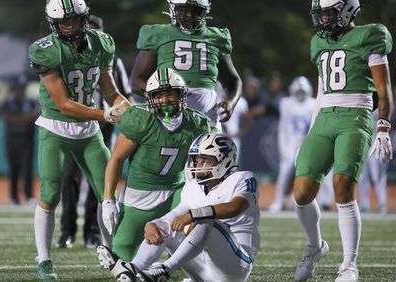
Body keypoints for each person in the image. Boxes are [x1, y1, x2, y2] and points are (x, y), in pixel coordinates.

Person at [28, 0, 130, 279]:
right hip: (56, 129)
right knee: (50, 194)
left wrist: (130, 112)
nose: (69, 26)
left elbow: (111, 91)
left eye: (73, 20)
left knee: (110, 195)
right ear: (53, 23)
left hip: (88, 132)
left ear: (84, 18)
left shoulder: (102, 42)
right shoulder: (45, 50)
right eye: (63, 22)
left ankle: (113, 254)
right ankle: (44, 260)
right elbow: (64, 104)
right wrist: (106, 115)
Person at [293, 1, 393, 281]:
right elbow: (322, 91)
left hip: (356, 116)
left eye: (329, 13)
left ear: (347, 11)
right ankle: (315, 247)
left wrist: (383, 125)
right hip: (324, 118)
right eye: (321, 13)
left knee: (342, 187)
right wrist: (310, 133)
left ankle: (349, 264)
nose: (323, 19)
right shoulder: (318, 43)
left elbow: (384, 90)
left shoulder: (369, 36)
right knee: (301, 193)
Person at [97, 132, 260, 282]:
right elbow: (174, 216)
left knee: (205, 218)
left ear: (225, 161)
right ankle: (132, 268)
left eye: (206, 159)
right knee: (162, 227)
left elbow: (236, 207)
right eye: (197, 159)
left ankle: (165, 269)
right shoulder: (193, 186)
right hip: (203, 268)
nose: (199, 163)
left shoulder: (243, 178)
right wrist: (153, 224)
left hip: (236, 267)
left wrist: (193, 214)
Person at [100, 67, 213, 262]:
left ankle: (183, 263)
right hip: (139, 194)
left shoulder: (197, 123)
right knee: (122, 249)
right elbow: (116, 158)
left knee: (197, 227)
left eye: (171, 94)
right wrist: (108, 199)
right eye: (159, 96)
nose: (165, 100)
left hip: (176, 192)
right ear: (151, 98)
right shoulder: (140, 119)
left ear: (182, 95)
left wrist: (202, 197)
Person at [55, 14, 133, 250]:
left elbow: (124, 94)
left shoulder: (110, 58)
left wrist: (127, 115)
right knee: (69, 178)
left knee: (97, 180)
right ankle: (67, 232)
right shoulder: (66, 56)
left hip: (103, 125)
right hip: (74, 124)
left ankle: (92, 233)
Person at [130, 0, 242, 128]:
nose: (189, 15)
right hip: (167, 117)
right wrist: (162, 97)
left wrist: (230, 103)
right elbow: (136, 81)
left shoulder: (217, 38)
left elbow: (233, 80)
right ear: (173, 9)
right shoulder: (158, 34)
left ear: (204, 12)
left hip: (206, 119)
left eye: (196, 11)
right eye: (184, 10)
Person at [269, 76, 334, 212]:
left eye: (302, 91)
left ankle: (326, 201)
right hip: (291, 143)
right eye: (297, 91)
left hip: (308, 142)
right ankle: (279, 201)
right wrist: (283, 147)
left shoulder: (313, 103)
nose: (300, 94)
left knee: (322, 170)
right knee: (285, 171)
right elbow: (283, 128)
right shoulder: (286, 103)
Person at [0, 81, 39, 206]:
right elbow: (7, 117)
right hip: (12, 140)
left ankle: (28, 196)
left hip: (27, 139)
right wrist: (25, 118)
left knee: (27, 169)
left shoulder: (30, 102)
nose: (20, 90)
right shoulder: (7, 102)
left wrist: (21, 118)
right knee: (14, 169)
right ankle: (13, 197)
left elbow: (35, 116)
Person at [358, 111, 389, 214]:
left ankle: (382, 203)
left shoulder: (379, 105)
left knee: (378, 177)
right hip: (362, 144)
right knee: (362, 177)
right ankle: (364, 204)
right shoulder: (359, 102)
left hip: (376, 144)